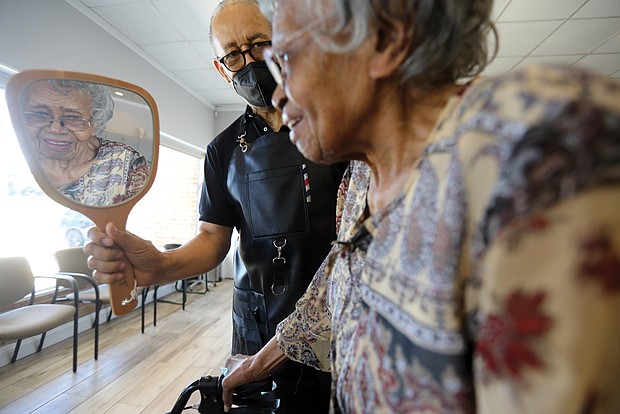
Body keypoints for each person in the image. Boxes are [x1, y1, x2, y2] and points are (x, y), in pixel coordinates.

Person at [219, 0, 620, 412]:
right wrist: (255, 364)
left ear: (387, 39)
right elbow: (333, 290)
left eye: (286, 58)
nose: (279, 94)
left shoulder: (539, 145)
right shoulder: (359, 179)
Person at [86, 0, 344, 412]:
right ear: (221, 68)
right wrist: (160, 264)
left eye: (260, 44)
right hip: (257, 323)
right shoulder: (221, 149)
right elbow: (212, 237)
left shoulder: (342, 125)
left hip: (336, 314)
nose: (249, 61)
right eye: (233, 55)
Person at [22, 79, 149, 206]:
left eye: (73, 117)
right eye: (39, 114)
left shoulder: (127, 163)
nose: (55, 128)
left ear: (95, 123)